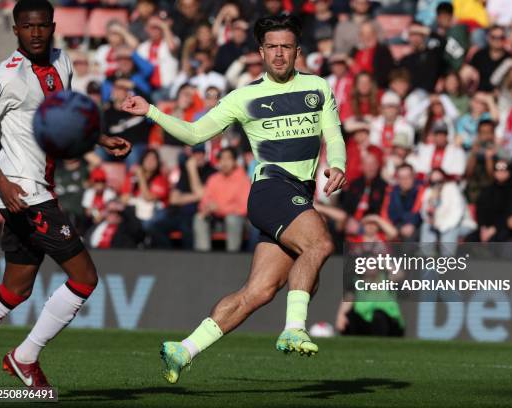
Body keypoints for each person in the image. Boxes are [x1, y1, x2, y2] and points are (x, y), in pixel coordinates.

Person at [121, 15, 346, 383]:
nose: (278, 54)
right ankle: (294, 328)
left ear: (297, 52)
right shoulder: (244, 96)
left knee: (257, 292)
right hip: (271, 189)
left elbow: (333, 135)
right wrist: (152, 111)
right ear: (260, 52)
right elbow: (195, 134)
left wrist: (337, 164)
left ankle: (184, 349)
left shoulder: (318, 87)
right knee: (320, 243)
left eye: (285, 47)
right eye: (271, 47)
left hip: (299, 194)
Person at [0, 0, 131, 387]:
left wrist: (99, 139)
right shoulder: (5, 77)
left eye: (41, 26)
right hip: (23, 191)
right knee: (84, 279)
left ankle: (23, 357)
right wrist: (0, 180)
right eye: (27, 27)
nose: (35, 33)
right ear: (15, 30)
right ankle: (25, 357)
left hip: (38, 188)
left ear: (52, 26)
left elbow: (61, 115)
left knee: (14, 290)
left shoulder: (62, 62)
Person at [193, 147, 250, 252]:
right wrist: (207, 208)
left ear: (235, 161)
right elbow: (203, 202)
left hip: (239, 222)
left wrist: (219, 208)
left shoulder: (243, 180)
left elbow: (243, 209)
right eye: (222, 159)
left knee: (232, 219)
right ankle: (203, 258)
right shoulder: (213, 179)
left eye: (228, 159)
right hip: (216, 220)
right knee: (199, 218)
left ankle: (232, 257)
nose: (224, 162)